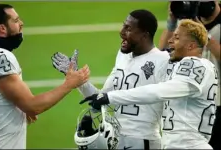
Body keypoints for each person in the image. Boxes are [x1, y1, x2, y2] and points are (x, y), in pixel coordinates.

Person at [80, 19, 218, 149]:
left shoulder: (196, 64)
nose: (170, 40)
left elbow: (160, 92)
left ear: (191, 45)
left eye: (176, 37)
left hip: (189, 145)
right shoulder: (178, 66)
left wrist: (111, 97)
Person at [52, 9, 170, 149]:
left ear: (144, 35)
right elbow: (102, 98)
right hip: (117, 139)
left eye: (128, 29)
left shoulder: (163, 60)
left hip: (144, 140)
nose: (121, 32)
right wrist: (77, 79)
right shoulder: (123, 56)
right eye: (123, 26)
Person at [0, 4, 89, 149]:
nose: (21, 23)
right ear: (2, 28)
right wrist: (69, 84)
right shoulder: (1, 58)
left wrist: (20, 108)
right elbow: (33, 106)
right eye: (15, 20)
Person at [159, 1, 221, 149]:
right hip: (189, 97)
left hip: (216, 99)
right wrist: (172, 23)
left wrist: (201, 33)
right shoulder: (186, 22)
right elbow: (162, 51)